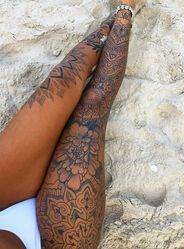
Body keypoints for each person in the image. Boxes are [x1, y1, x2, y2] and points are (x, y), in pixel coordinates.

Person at [0, 0, 137, 248]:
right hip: (54, 239)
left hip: (3, 202)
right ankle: (126, 13)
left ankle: (114, 18)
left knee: (62, 82)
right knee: (93, 104)